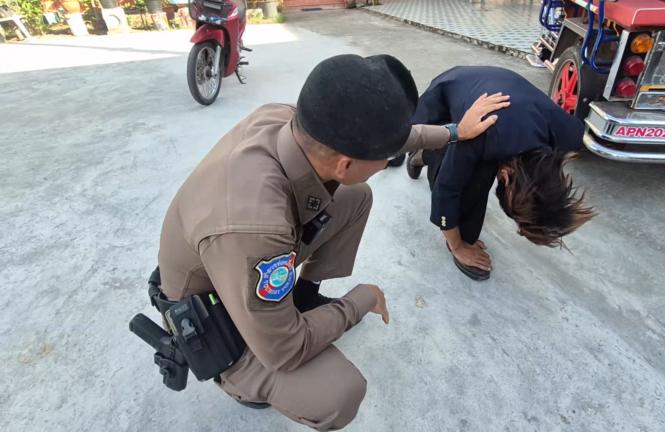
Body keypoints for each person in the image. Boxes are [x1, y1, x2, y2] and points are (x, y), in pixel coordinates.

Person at [154, 55, 509, 431]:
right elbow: (284, 349)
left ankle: (303, 298)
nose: (389, 160)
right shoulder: (258, 227)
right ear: (344, 164)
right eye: (385, 157)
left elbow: (395, 137)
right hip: (211, 316)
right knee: (339, 394)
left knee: (355, 197)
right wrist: (360, 301)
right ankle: (239, 381)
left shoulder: (295, 121)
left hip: (229, 262)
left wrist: (454, 132)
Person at [406, 66, 596, 281]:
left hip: (495, 88)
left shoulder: (569, 135)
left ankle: (427, 153)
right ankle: (424, 153)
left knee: (480, 162)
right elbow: (446, 190)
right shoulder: (483, 132)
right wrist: (458, 245)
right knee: (472, 176)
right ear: (505, 175)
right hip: (444, 99)